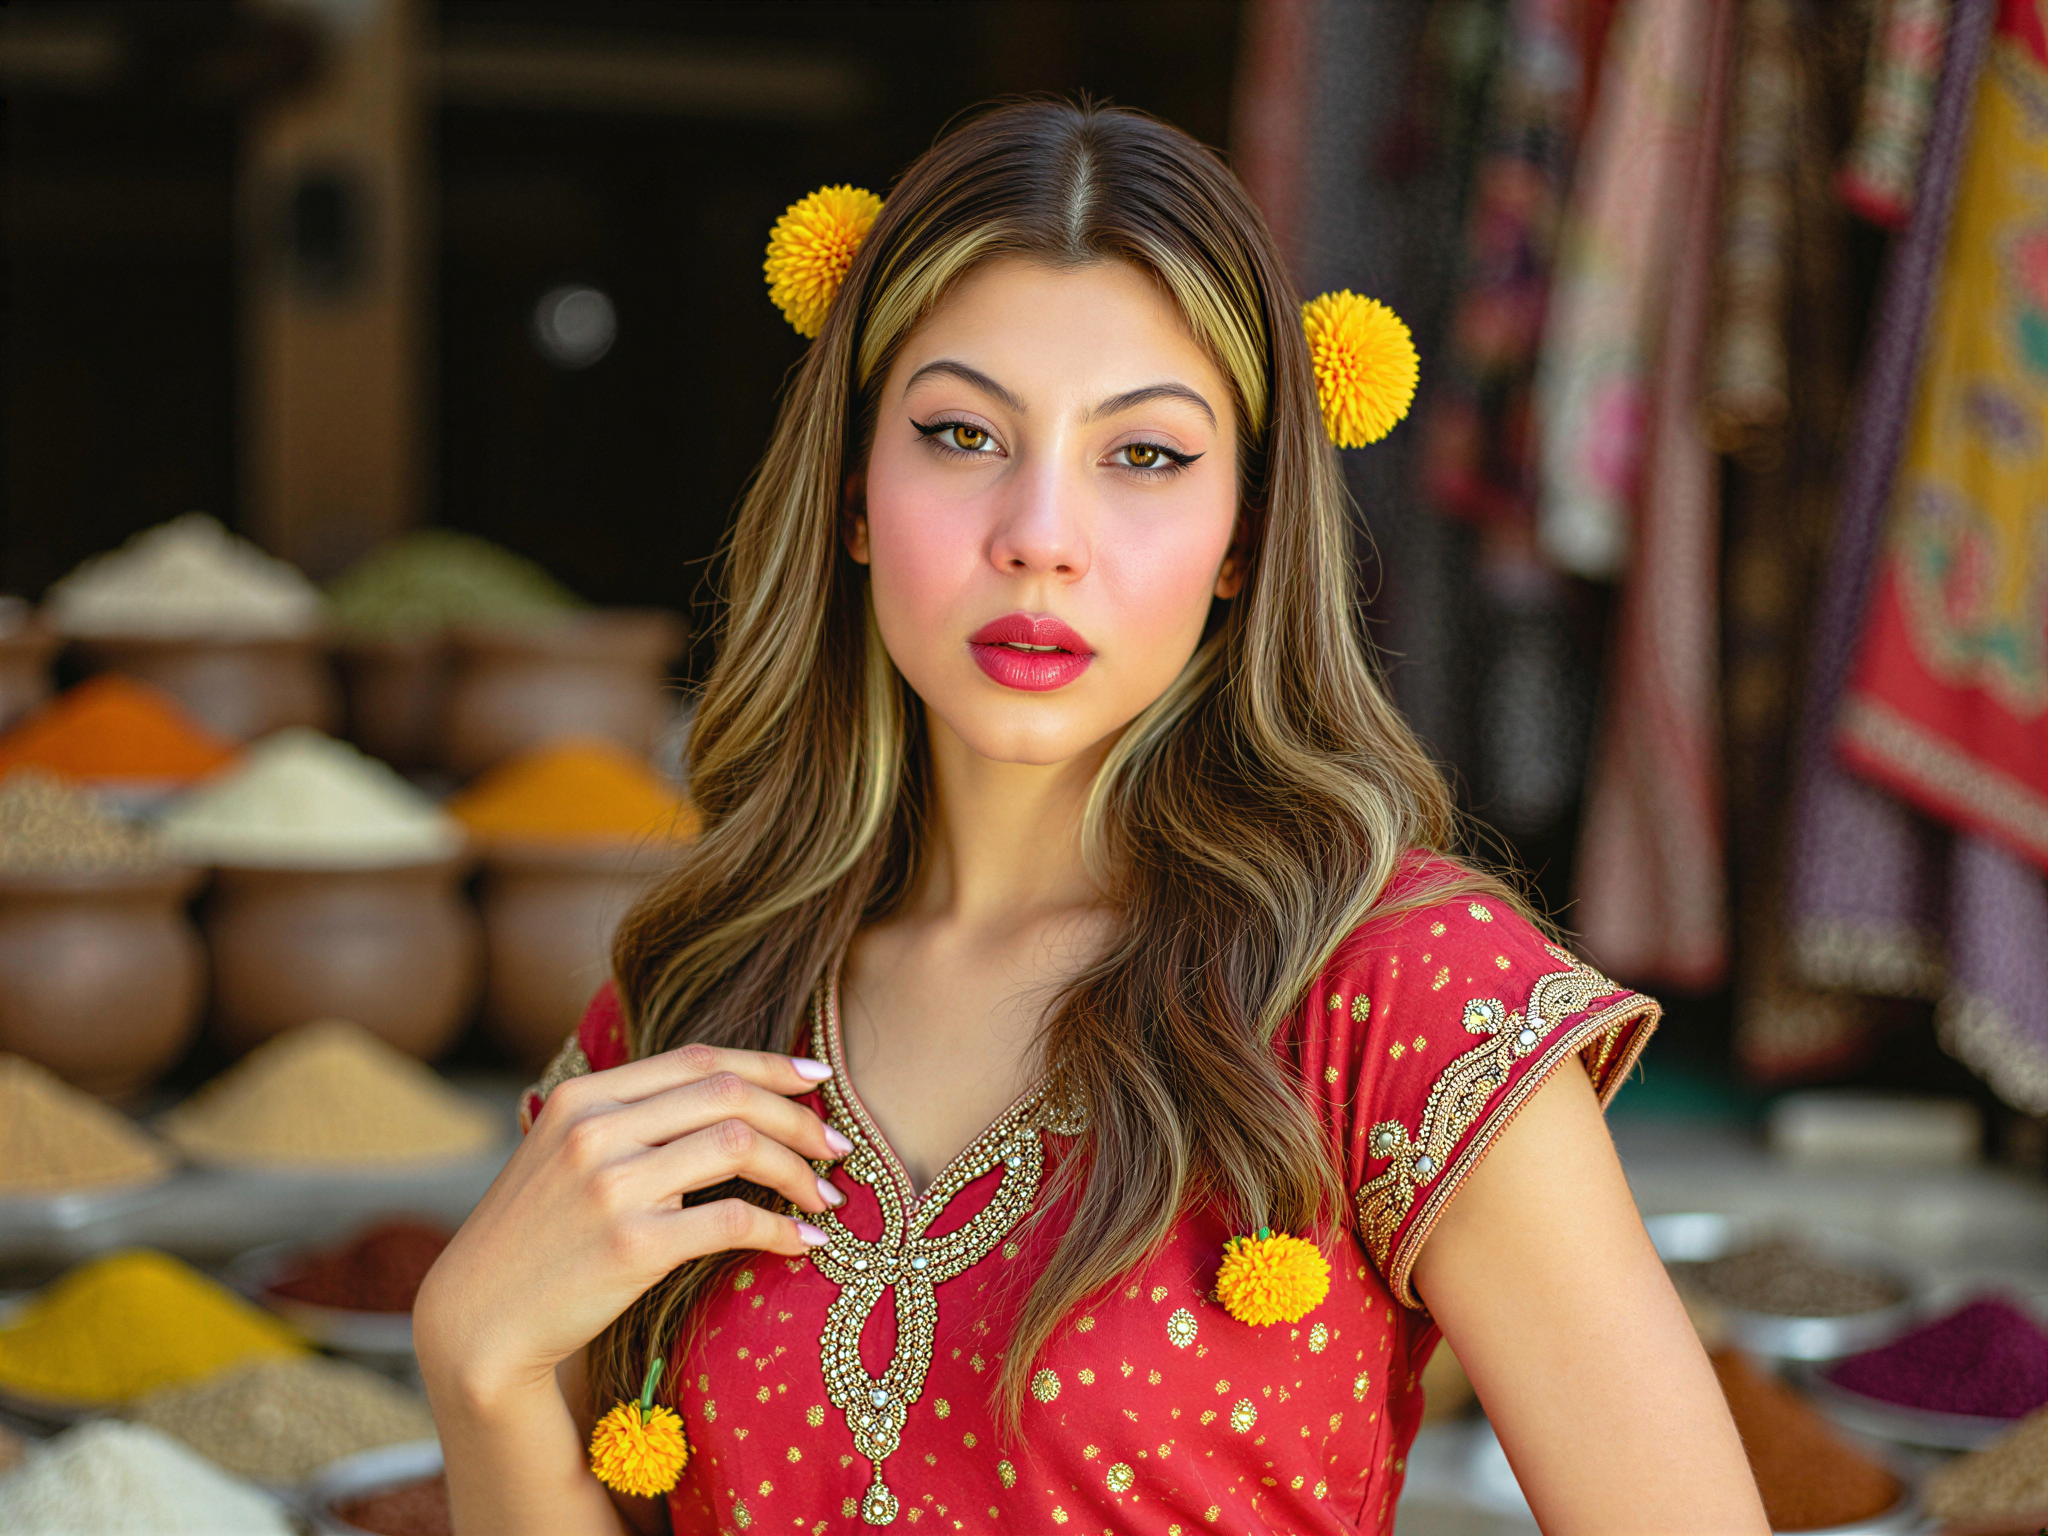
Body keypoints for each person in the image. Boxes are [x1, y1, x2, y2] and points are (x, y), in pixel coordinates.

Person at [414, 100, 1768, 1535]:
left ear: (1247, 533)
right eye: (961, 435)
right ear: (856, 494)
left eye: (1146, 456)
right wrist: (477, 1369)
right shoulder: (698, 992)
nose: (1040, 537)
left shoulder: (1396, 997)